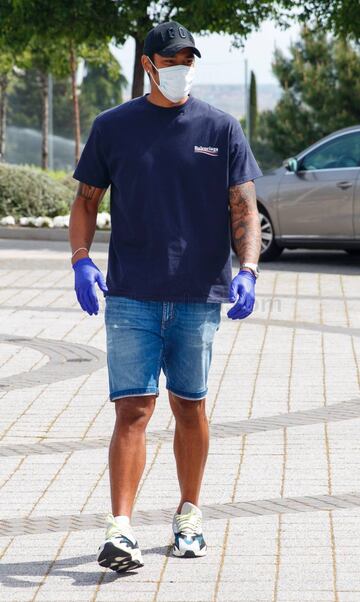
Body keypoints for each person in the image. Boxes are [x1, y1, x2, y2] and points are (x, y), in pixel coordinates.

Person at [69, 19, 262, 574]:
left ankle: (189, 516)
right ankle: (120, 530)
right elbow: (86, 200)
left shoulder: (221, 128)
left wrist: (247, 269)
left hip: (198, 295)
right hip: (131, 294)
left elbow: (244, 207)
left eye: (189, 60)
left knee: (190, 407)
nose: (183, 69)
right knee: (132, 408)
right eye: (173, 59)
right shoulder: (114, 128)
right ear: (150, 64)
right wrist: (81, 261)